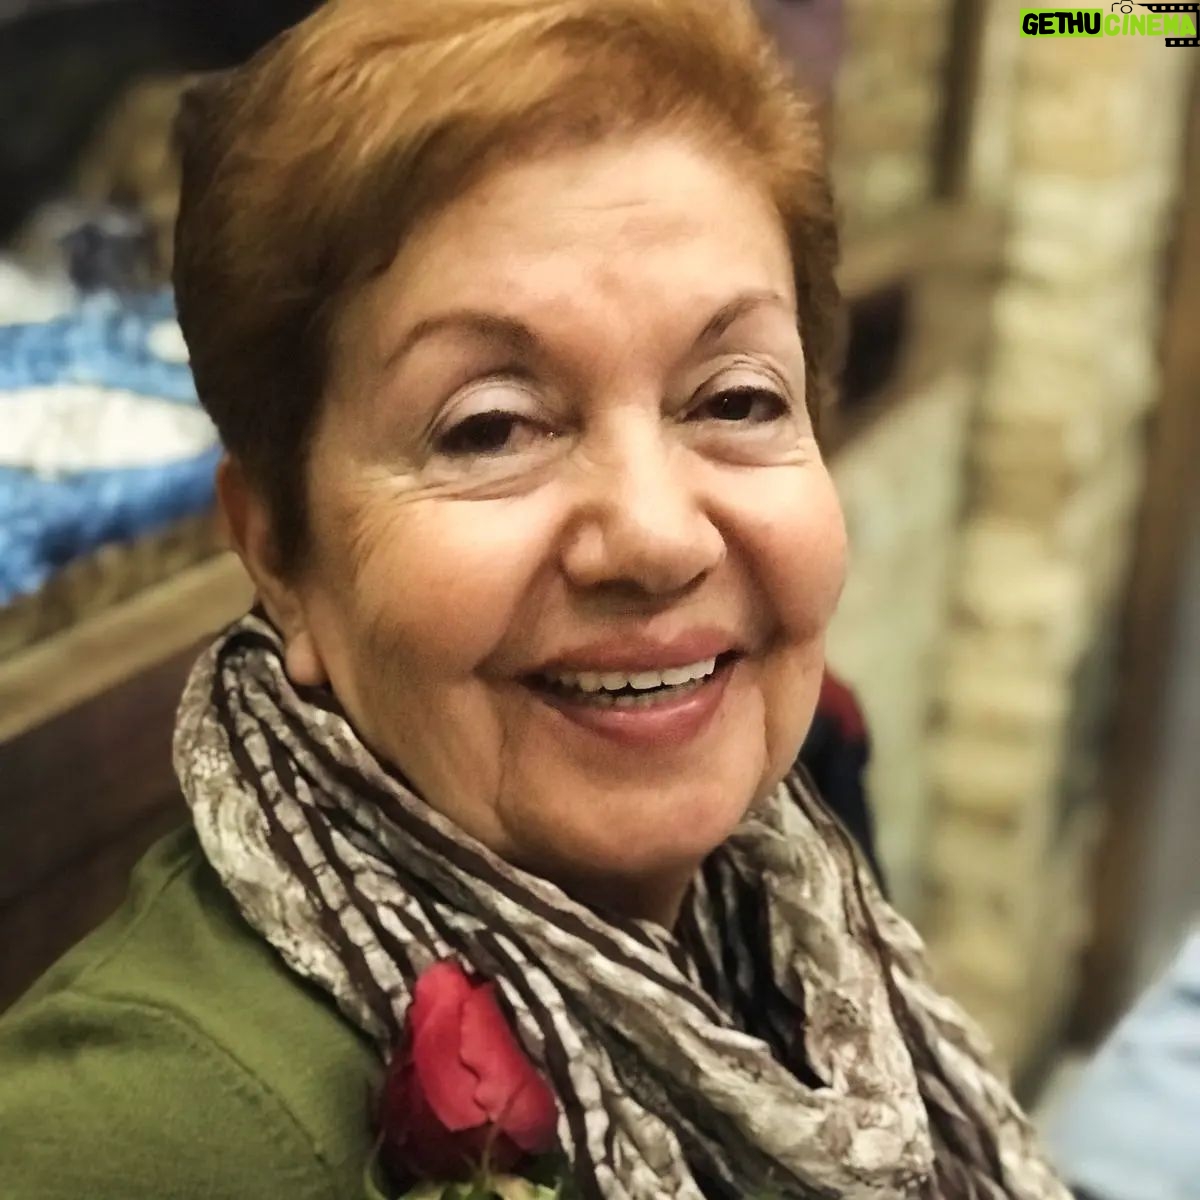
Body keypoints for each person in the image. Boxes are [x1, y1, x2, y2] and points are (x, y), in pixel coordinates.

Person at [0, 1, 1071, 1196]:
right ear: (280, 557)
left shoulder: (778, 908)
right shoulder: (146, 1136)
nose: (656, 537)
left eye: (736, 400)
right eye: (492, 427)